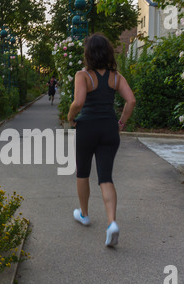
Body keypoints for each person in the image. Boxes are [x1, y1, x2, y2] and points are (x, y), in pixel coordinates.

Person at [67, 33, 136, 247]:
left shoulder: (83, 75)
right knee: (105, 177)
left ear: (88, 53)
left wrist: (70, 119)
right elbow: (131, 100)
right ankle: (112, 223)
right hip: (109, 129)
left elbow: (78, 102)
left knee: (83, 172)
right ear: (107, 52)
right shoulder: (117, 77)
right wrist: (121, 123)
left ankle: (85, 214)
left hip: (86, 128)